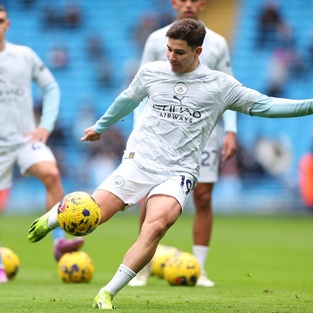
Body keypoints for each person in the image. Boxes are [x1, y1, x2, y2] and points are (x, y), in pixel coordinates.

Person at [27, 18, 313, 309]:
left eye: (179, 52)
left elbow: (265, 105)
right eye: (168, 49)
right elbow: (127, 98)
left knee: (155, 227)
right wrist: (100, 126)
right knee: (92, 217)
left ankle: (107, 293)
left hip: (178, 173)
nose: (171, 56)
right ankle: (54, 217)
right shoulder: (152, 72)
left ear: (198, 51)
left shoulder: (220, 86)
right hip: (139, 163)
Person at [0, 3, 83, 284]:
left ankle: (58, 241)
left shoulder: (24, 55)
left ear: (8, 25)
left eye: (1, 20)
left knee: (51, 174)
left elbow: (51, 87)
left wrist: (45, 126)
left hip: (25, 138)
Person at [130, 0, 237, 288]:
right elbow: (140, 88)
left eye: (194, 0)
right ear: (175, 3)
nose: (188, 4)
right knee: (150, 197)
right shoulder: (157, 40)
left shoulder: (217, 43)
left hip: (202, 133)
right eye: (183, 0)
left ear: (202, 4)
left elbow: (230, 87)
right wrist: (138, 130)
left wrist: (231, 130)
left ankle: (199, 269)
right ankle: (142, 268)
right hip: (161, 133)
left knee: (203, 197)